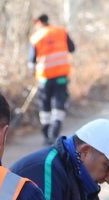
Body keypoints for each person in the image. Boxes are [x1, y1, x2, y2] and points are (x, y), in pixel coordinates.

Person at [28, 13, 75, 145]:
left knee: (45, 105)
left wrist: (32, 72)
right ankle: (54, 131)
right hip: (61, 77)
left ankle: (46, 133)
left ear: (38, 22)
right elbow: (72, 48)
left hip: (44, 78)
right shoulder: (61, 32)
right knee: (59, 104)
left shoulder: (36, 38)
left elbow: (31, 61)